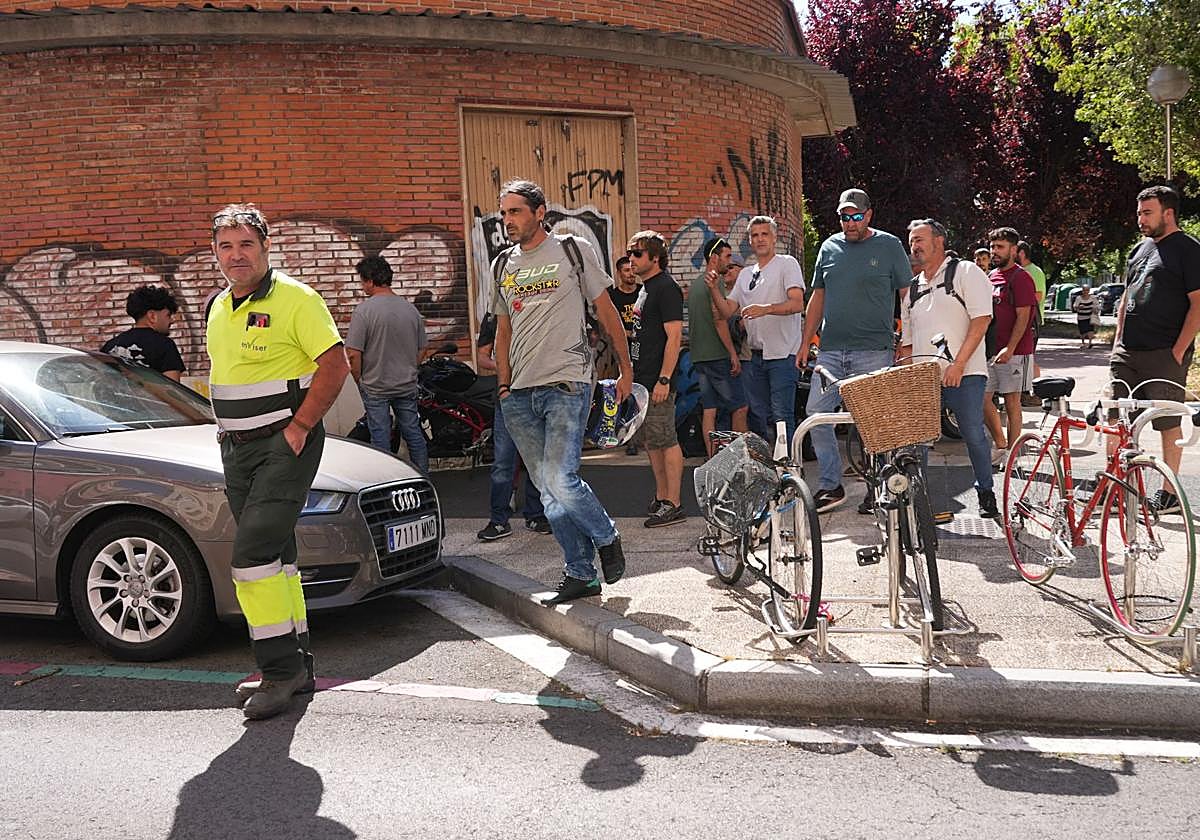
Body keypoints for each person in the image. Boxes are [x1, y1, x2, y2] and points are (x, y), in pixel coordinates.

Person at [206, 203, 349, 719]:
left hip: (282, 445)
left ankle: (278, 671)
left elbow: (335, 366)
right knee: (278, 559)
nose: (236, 255)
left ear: (265, 247)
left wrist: (300, 427)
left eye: (246, 244)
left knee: (250, 560)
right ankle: (300, 665)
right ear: (216, 252)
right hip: (236, 449)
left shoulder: (296, 299)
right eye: (226, 245)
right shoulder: (217, 305)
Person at [491, 180, 632, 606]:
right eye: (503, 214)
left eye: (515, 212)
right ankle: (580, 572)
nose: (507, 221)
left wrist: (626, 370)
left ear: (539, 212)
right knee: (547, 489)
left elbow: (607, 313)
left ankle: (606, 535)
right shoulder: (502, 264)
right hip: (518, 392)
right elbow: (503, 330)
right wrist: (502, 384)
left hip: (567, 381)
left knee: (562, 477)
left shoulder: (573, 251)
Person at [798, 188, 912, 513]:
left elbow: (907, 295)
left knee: (873, 423)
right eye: (844, 217)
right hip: (831, 352)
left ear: (868, 215)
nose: (850, 222)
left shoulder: (889, 246)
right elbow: (817, 296)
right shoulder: (829, 247)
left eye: (856, 216)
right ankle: (832, 486)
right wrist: (806, 342)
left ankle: (878, 487)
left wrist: (907, 342)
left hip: (874, 350)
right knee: (816, 416)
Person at [1112, 184, 1200, 513]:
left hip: (1165, 354)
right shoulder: (1139, 249)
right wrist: (1119, 337)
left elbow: (1198, 304)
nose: (1140, 219)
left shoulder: (1188, 249)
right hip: (1127, 352)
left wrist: (1178, 351)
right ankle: (1119, 488)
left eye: (1147, 213)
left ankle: (1169, 494)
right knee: (1116, 421)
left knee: (1167, 423)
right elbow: (1127, 295)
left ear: (1169, 213)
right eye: (1138, 213)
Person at [902, 219, 998, 518]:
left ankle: (985, 492)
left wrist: (957, 365)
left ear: (939, 241)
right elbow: (906, 343)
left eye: (920, 239)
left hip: (965, 373)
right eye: (911, 241)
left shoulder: (966, 271)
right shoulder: (912, 289)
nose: (914, 246)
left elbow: (982, 320)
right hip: (924, 378)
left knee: (972, 433)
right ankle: (919, 498)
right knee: (917, 440)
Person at [708, 215, 805, 452]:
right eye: (755, 235)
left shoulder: (787, 263)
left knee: (782, 416)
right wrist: (713, 289)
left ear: (774, 238)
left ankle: (790, 467)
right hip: (755, 357)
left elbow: (797, 304)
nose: (760, 239)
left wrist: (767, 309)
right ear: (750, 241)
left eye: (764, 234)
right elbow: (727, 311)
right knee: (757, 417)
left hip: (783, 355)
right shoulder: (746, 273)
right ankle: (767, 470)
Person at [475, 292, 550, 540]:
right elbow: (482, 357)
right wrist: (504, 366)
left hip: (537, 394)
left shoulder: (538, 309)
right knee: (503, 463)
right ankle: (498, 520)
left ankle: (536, 515)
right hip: (507, 397)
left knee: (536, 462)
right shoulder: (493, 317)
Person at [345, 256, 429, 474]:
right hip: (406, 385)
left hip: (375, 387)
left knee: (380, 439)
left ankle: (386, 485)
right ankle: (423, 480)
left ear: (370, 280)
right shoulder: (411, 311)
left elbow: (353, 354)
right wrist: (411, 369)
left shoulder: (364, 311)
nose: (362, 286)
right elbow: (422, 349)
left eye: (363, 281)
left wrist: (359, 379)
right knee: (413, 434)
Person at [627, 230, 687, 527]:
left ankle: (674, 503)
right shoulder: (646, 288)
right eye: (629, 253)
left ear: (655, 257)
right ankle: (662, 496)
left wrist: (664, 379)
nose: (631, 259)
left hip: (658, 381)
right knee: (652, 441)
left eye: (637, 253)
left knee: (666, 439)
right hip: (642, 378)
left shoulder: (665, 288)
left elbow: (674, 338)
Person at [983, 227, 1038, 466]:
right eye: (993, 246)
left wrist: (1010, 348)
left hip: (1015, 352)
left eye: (1000, 247)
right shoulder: (991, 276)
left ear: (1014, 250)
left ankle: (1013, 454)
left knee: (1012, 402)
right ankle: (1001, 444)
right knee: (982, 399)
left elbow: (1024, 317)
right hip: (990, 351)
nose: (995, 251)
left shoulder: (1021, 277)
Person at [690, 237, 748, 458]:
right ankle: (741, 459)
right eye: (726, 256)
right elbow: (720, 320)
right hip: (717, 356)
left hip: (699, 357)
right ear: (714, 258)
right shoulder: (715, 283)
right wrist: (732, 353)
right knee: (740, 407)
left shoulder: (696, 284)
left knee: (709, 411)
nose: (730, 262)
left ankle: (714, 459)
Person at [101, 285, 186, 381]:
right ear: (152, 316)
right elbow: (172, 390)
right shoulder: (164, 345)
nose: (171, 320)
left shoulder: (110, 345)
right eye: (168, 315)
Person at [608, 254, 643, 454]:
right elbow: (609, 324)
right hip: (622, 350)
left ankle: (641, 437)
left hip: (642, 348)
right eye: (626, 271)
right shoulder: (614, 296)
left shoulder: (642, 292)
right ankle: (627, 437)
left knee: (641, 392)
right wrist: (626, 333)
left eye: (632, 269)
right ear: (619, 274)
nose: (631, 274)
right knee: (624, 394)